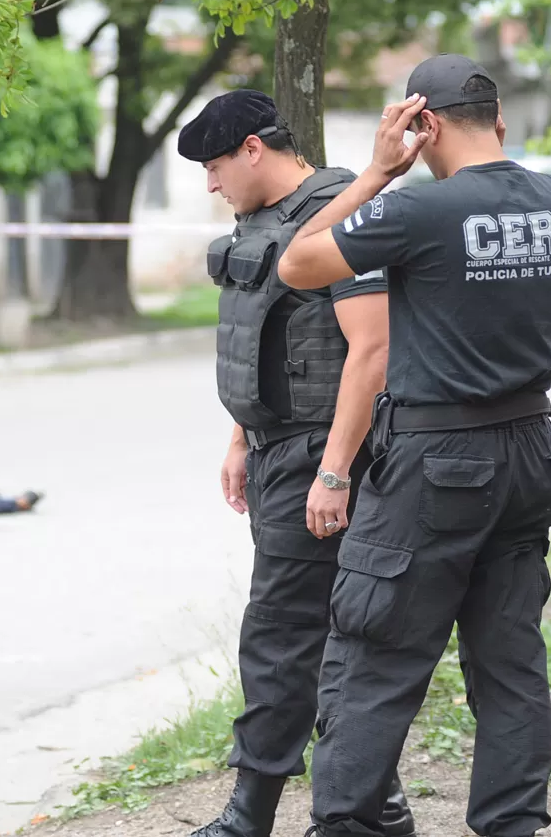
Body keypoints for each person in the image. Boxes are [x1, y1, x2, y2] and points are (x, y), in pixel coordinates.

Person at [278, 54, 551, 837]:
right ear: (500, 120)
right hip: (531, 452)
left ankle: (345, 825)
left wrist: (376, 171)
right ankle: (514, 825)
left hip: (438, 464)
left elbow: (298, 261)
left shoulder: (422, 210)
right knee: (510, 661)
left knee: (374, 655)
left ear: (423, 125)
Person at [173, 89, 418, 837]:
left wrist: (335, 470)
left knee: (281, 633)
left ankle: (251, 815)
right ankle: (381, 806)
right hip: (278, 450)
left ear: (254, 149)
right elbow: (262, 339)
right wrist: (242, 437)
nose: (210, 184)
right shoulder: (259, 220)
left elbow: (371, 349)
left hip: (324, 453)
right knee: (324, 635)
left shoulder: (343, 207)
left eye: (215, 166)